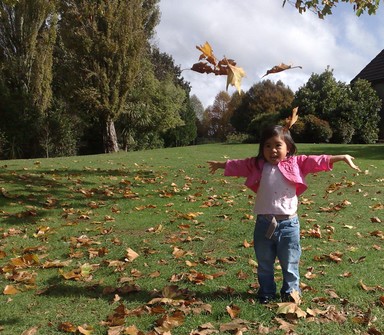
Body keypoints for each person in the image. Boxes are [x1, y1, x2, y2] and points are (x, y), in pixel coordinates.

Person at [207, 124, 360, 304]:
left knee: (290, 263)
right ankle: (266, 292)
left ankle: (291, 292)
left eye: (278, 145)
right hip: (264, 224)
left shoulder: (297, 163)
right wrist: (220, 164)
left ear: (288, 148)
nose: (272, 150)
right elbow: (239, 165)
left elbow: (316, 160)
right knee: (264, 264)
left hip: (289, 225)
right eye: (267, 145)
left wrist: (341, 157)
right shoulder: (257, 165)